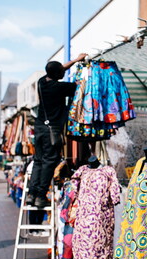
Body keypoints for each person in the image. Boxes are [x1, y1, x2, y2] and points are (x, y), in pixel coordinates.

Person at [26, 53, 88, 208]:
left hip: (39, 127)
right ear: (57, 74)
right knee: (49, 162)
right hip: (51, 131)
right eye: (62, 71)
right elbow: (80, 86)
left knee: (38, 161)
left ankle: (31, 194)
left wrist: (74, 61)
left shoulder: (42, 82)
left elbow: (59, 70)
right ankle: (40, 196)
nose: (64, 71)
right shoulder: (60, 87)